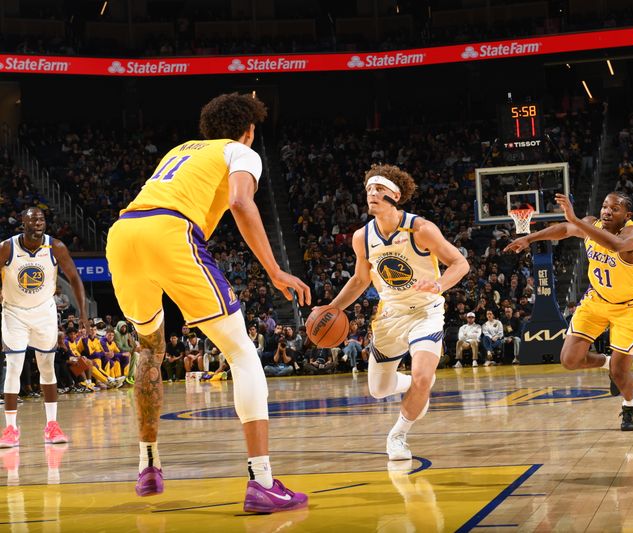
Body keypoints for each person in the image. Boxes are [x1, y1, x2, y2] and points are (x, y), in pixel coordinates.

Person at [105, 92, 311, 513]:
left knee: (149, 348)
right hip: (170, 232)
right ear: (249, 129)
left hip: (124, 232)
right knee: (241, 352)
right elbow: (239, 200)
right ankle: (263, 482)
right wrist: (274, 269)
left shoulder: (180, 149)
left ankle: (148, 463)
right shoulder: (241, 151)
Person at [327, 164, 469, 460]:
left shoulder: (421, 230)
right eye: (368, 189)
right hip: (390, 316)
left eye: (379, 189)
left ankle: (398, 435)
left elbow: (460, 263)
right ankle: (412, 385)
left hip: (425, 312)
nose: (372, 194)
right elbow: (360, 280)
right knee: (379, 390)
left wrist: (439, 284)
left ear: (396, 194)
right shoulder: (361, 237)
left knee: (422, 377)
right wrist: (331, 308)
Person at [505, 192, 633, 431]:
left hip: (627, 307)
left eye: (615, 209)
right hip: (596, 300)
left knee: (621, 374)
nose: (607, 211)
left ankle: (631, 406)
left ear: (627, 215)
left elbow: (615, 245)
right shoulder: (591, 224)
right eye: (604, 206)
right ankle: (608, 363)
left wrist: (576, 220)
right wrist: (529, 238)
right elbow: (564, 229)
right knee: (569, 360)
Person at [0, 207, 89, 448]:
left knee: (47, 367)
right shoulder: (7, 247)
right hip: (14, 312)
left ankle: (52, 425)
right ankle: (9, 428)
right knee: (14, 368)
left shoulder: (56, 247)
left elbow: (74, 279)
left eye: (41, 219)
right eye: (33, 219)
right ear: (23, 222)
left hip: (44, 312)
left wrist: (83, 314)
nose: (38, 222)